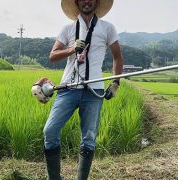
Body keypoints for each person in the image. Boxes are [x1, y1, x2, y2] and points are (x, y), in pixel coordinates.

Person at [43, 0, 123, 179]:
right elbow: (53, 56)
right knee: (50, 131)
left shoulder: (107, 28)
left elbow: (117, 57)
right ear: (77, 3)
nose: (86, 1)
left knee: (88, 139)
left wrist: (116, 83)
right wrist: (72, 49)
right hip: (68, 89)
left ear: (96, 2)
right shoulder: (67, 29)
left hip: (93, 91)